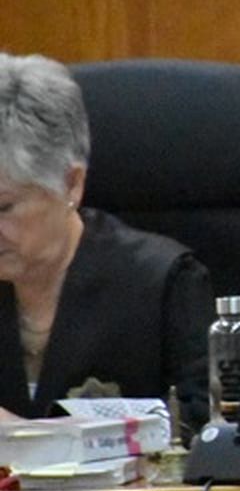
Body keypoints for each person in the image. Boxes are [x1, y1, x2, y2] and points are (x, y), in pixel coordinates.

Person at [0, 53, 212, 431]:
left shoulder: (162, 284)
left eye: (4, 207)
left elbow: (206, 438)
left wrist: (23, 437)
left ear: (71, 184)